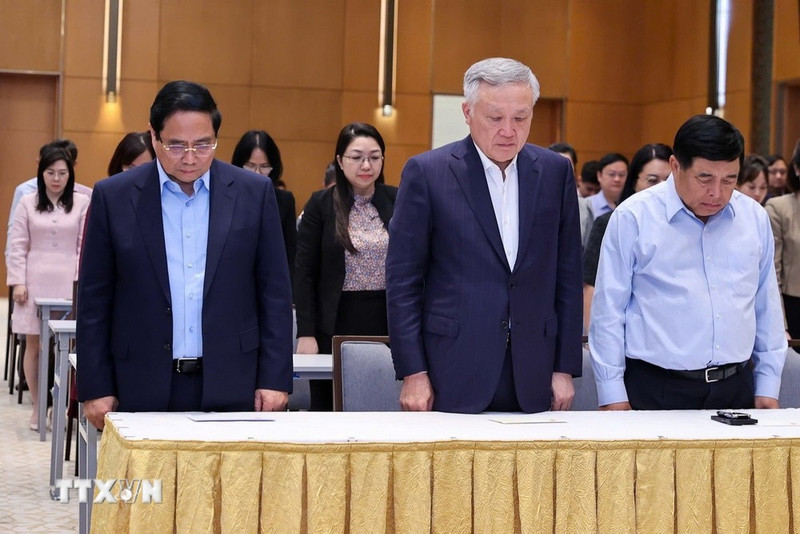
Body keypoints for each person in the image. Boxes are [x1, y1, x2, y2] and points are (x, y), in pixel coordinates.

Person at [77, 81, 293, 429]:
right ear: (153, 136)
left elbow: (275, 294)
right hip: (139, 382)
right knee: (145, 485)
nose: (190, 157)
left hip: (233, 380)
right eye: (176, 145)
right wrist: (95, 386)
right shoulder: (113, 197)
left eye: (203, 144)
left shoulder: (254, 194)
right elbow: (94, 300)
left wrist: (275, 377)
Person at [386, 57, 583, 414]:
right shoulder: (428, 173)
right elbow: (403, 283)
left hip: (536, 371)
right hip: (452, 368)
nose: (509, 131)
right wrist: (413, 371)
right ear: (467, 111)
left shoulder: (555, 173)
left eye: (521, 118)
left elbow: (568, 276)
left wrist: (564, 366)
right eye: (495, 118)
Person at [590, 114, 787, 411]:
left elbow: (766, 304)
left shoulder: (753, 217)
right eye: (705, 178)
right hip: (656, 388)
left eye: (730, 180)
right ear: (675, 166)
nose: (717, 193)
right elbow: (608, 311)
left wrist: (768, 383)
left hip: (736, 387)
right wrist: (612, 394)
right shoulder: (635, 217)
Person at [294, 122, 397, 411]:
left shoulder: (398, 200)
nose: (366, 165)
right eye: (357, 157)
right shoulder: (321, 204)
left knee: (382, 406)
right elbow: (304, 274)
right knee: (331, 407)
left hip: (385, 320)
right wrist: (306, 332)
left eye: (375, 157)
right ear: (340, 161)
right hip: (335, 320)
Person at [7, 146, 90, 430]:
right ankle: (37, 407)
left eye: (62, 173)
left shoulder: (81, 202)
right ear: (41, 173)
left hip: (69, 281)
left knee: (68, 348)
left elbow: (83, 246)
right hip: (33, 281)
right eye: (50, 172)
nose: (56, 178)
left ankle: (63, 408)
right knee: (34, 346)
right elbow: (17, 245)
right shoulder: (28, 202)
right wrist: (17, 281)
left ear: (71, 174)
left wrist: (81, 284)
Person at [582, 143, 672, 333]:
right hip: (627, 337)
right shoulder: (610, 222)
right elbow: (592, 287)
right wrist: (593, 339)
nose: (662, 189)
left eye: (669, 180)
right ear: (634, 182)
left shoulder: (686, 227)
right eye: (652, 180)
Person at [5, 139, 92, 258]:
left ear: (73, 166)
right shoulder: (25, 192)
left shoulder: (86, 196)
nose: (56, 178)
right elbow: (14, 236)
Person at [231, 130, 297, 282]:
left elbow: (290, 254)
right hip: (234, 280)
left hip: (271, 280)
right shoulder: (227, 197)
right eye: (250, 166)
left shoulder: (284, 200)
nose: (257, 173)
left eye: (264, 167)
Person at [765, 140, 800, 338]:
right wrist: (780, 326)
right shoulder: (779, 208)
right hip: (792, 309)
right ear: (796, 169)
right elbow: (772, 275)